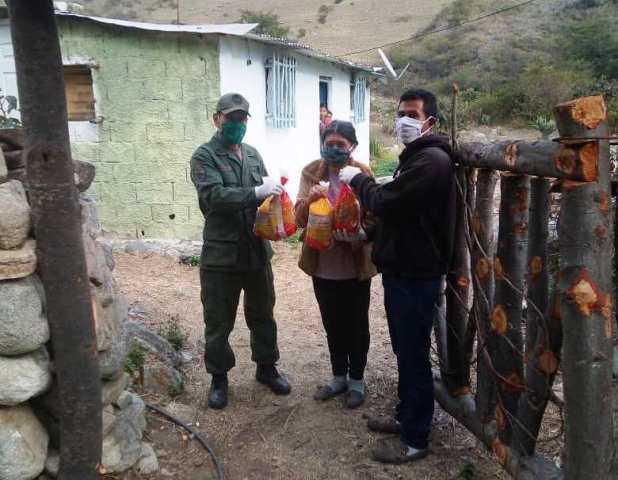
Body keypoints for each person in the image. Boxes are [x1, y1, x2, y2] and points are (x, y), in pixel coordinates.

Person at [338, 89, 456, 463]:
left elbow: (384, 202)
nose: (403, 121)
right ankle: (407, 417)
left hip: (416, 273)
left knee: (414, 355)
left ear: (429, 122)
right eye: (401, 113)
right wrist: (367, 235)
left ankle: (415, 439)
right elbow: (403, 215)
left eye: (411, 114)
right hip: (403, 268)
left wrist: (358, 180)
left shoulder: (432, 162)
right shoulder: (416, 159)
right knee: (405, 352)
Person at [190, 93, 291, 410]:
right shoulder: (204, 156)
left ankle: (266, 367)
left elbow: (262, 192)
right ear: (216, 119)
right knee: (218, 321)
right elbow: (213, 196)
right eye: (230, 118)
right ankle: (219, 378)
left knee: (263, 314)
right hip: (222, 256)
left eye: (241, 118)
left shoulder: (252, 154)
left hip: (256, 252)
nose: (236, 124)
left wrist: (275, 195)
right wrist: (254, 192)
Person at [295, 120, 377, 409]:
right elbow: (298, 218)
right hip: (323, 264)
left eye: (340, 145)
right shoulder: (311, 172)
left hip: (354, 264)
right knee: (332, 323)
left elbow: (374, 213)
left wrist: (359, 233)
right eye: (328, 143)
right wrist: (309, 202)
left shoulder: (361, 172)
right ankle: (338, 377)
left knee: (357, 324)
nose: (333, 149)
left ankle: (357, 380)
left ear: (351, 147)